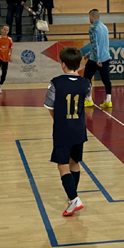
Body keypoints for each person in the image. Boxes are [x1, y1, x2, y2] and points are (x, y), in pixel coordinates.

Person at [44, 47, 90, 217]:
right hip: (79, 129)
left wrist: (58, 120)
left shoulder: (55, 83)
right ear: (79, 64)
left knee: (62, 165)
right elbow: (87, 99)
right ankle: (72, 196)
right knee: (75, 162)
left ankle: (74, 198)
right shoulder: (86, 83)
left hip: (62, 130)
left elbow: (49, 106)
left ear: (63, 64)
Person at [83, 9, 112, 109]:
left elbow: (95, 45)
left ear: (91, 17)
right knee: (106, 79)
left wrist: (97, 59)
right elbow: (102, 44)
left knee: (86, 77)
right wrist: (89, 54)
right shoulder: (104, 27)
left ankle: (88, 99)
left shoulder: (93, 28)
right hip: (106, 57)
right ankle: (108, 101)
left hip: (96, 59)